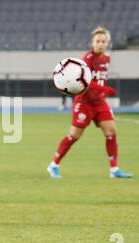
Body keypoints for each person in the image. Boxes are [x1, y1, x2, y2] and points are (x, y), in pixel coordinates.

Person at [47, 27, 133, 179]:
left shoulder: (106, 58)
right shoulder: (86, 60)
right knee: (74, 136)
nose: (100, 44)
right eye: (98, 41)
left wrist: (102, 91)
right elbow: (86, 83)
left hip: (99, 102)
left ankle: (114, 169)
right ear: (92, 43)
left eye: (103, 41)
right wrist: (105, 88)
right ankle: (54, 164)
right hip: (84, 102)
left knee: (111, 132)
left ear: (108, 43)